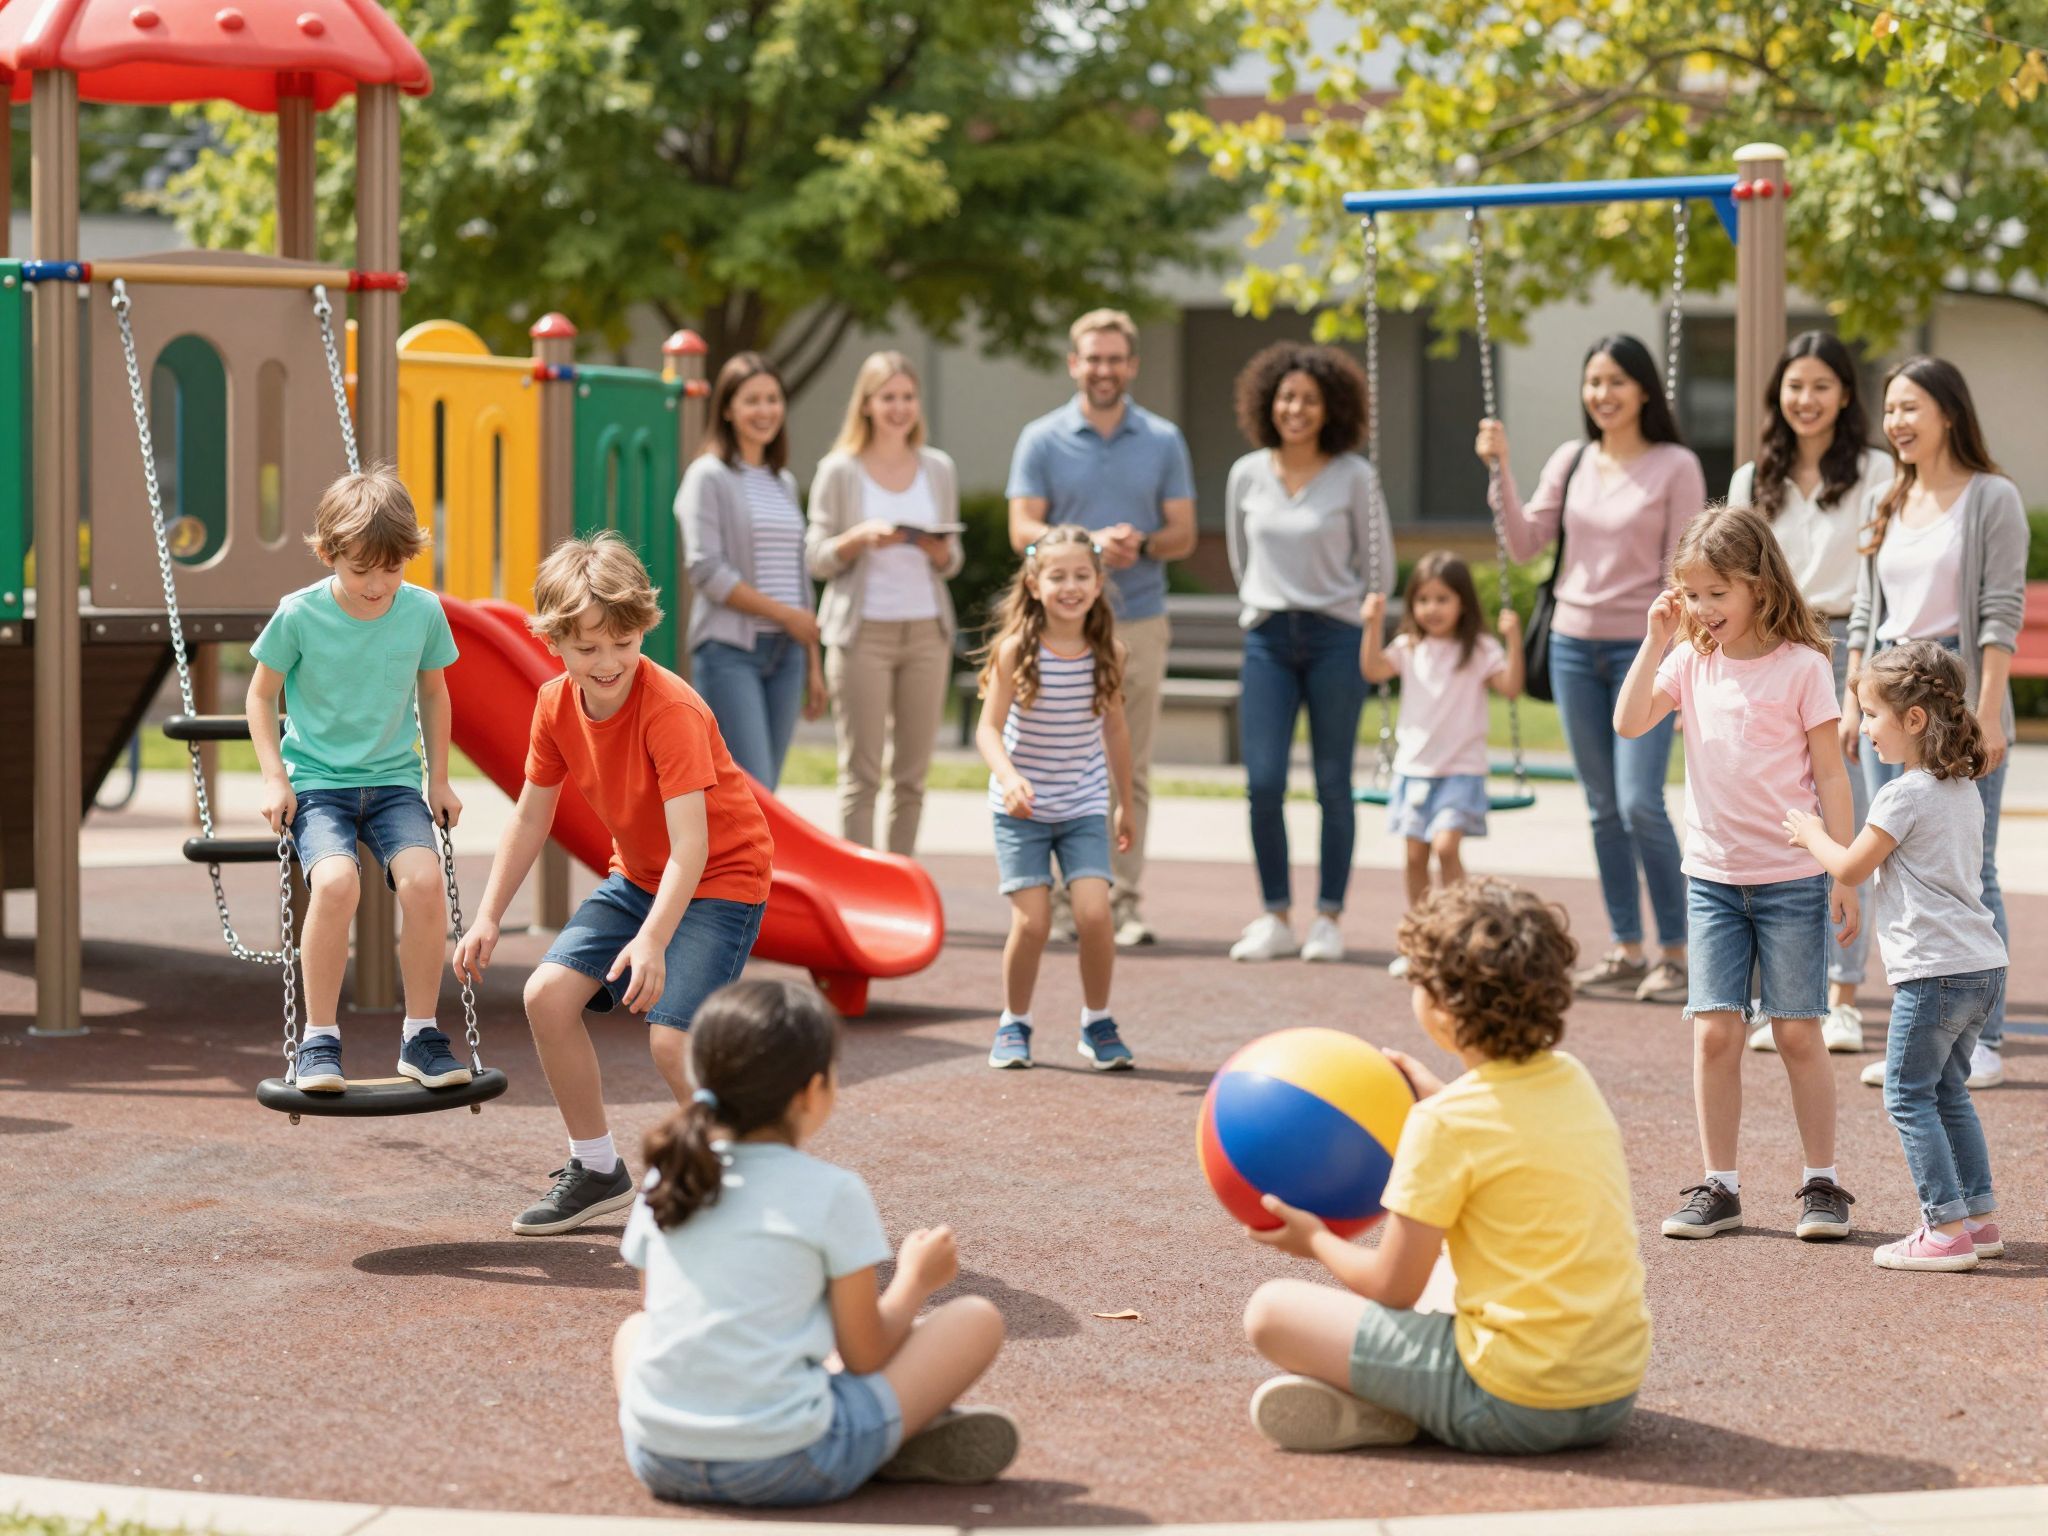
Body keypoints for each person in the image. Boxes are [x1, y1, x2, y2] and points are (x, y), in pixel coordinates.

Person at [1240, 878, 1648, 1456]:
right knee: (1453, 1265)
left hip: (1512, 1404)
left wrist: (1317, 1241)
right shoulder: (1572, 1078)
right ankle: (1400, 1404)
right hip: (1611, 1393)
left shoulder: (1445, 1125)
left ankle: (1407, 1408)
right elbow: (1507, 1133)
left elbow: (1391, 1288)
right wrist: (1442, 1098)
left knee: (1271, 1312)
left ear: (1443, 1009)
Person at [453, 534, 774, 1236]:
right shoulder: (552, 705)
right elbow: (531, 818)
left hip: (721, 875)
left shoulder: (671, 710)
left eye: (623, 643)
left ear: (642, 632)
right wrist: (488, 916)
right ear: (556, 643)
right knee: (545, 997)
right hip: (639, 876)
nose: (608, 663)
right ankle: (597, 1169)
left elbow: (694, 845)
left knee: (671, 1042)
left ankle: (740, 1179)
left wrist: (653, 941)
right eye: (588, 647)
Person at [612, 978, 1016, 1505]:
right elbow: (866, 1355)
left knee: (635, 1329)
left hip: (659, 1459)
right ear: (810, 1091)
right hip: (790, 1463)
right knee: (975, 1319)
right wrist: (916, 1280)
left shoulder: (666, 1179)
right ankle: (884, 1446)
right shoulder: (832, 1192)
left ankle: (871, 1436)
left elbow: (660, 1311)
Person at [1614, 506, 1860, 1243]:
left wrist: (1842, 871)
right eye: (1692, 594)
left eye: (1716, 592)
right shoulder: (1690, 659)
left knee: (1796, 1034)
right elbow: (1629, 723)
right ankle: (1720, 1186)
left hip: (1790, 879)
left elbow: (1832, 775)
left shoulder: (1804, 667)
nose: (1703, 608)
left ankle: (1823, 1182)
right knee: (1715, 1035)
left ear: (1758, 584)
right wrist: (1657, 637)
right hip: (1713, 879)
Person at [1478, 334, 1704, 1003]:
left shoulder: (1675, 465)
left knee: (1641, 803)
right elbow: (1524, 544)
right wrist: (1501, 470)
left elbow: (1684, 571)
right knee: (1603, 809)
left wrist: (1684, 657)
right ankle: (1627, 947)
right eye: (1593, 382)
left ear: (1643, 390)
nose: (1602, 394)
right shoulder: (1572, 459)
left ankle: (1677, 950)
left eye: (1616, 382)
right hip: (1575, 645)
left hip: (1646, 650)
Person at [246, 467, 469, 1094]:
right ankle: (319, 1039)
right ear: (329, 555)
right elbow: (259, 697)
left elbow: (434, 691)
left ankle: (420, 1037)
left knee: (425, 884)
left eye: (391, 570)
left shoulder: (422, 612)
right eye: (360, 571)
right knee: (337, 884)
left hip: (395, 783)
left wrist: (442, 779)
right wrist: (274, 779)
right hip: (318, 784)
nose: (377, 587)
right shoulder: (300, 614)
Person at [1786, 643, 2008, 1272]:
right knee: (1948, 1091)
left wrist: (1810, 834)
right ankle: (1978, 1219)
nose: (1864, 728)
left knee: (1908, 1097)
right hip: (1982, 966)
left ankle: (1943, 1230)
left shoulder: (1902, 796)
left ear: (1914, 721)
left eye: (1872, 714)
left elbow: (1853, 865)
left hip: (1933, 974)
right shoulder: (1962, 787)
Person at [1843, 357, 2029, 1091]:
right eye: (1889, 409)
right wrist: (1854, 699)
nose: (1896, 422)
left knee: (1968, 870)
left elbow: (1999, 614)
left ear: (1949, 412)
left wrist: (1986, 716)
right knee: (1892, 864)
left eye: (1911, 407)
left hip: (1954, 693)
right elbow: (1863, 611)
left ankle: (1982, 1040)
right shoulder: (1888, 498)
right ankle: (1920, 1036)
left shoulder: (1992, 497)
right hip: (1887, 692)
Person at [1007, 309, 1197, 947]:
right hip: (1054, 633)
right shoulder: (1041, 438)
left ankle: (1122, 901)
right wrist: (1086, 545)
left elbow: (1184, 534)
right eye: (1093, 358)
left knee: (1127, 765)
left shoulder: (1164, 440)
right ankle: (1064, 905)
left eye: (1115, 359)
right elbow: (1021, 530)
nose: (1104, 369)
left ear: (1132, 366)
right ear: (1074, 364)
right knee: (1050, 761)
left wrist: (1138, 546)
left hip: (1137, 621)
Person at [1729, 330, 1893, 1055]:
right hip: (1766, 654)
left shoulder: (1878, 473)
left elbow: (1877, 583)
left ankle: (1845, 995)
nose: (1806, 400)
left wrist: (1858, 677)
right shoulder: (1748, 480)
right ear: (1778, 396)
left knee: (1842, 819)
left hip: (1842, 653)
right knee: (1773, 819)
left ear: (1846, 395)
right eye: (1794, 387)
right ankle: (1784, 996)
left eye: (1821, 386)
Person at [1221, 342, 1394, 966]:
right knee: (1262, 782)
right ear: (1268, 402)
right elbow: (1244, 560)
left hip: (1335, 638)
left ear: (1330, 409)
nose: (1296, 409)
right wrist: (1265, 602)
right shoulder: (1245, 473)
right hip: (1268, 636)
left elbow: (1380, 569)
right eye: (1287, 397)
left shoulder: (1354, 475)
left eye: (1310, 400)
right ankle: (1274, 915)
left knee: (1331, 782)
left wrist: (1361, 624)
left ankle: (1327, 917)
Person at [974, 527, 1136, 1072]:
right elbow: (988, 731)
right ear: (1035, 583)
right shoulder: (1016, 650)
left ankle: (1097, 1021)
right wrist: (1010, 777)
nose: (1071, 586)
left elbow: (1116, 732)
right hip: (1020, 809)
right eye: (1058, 575)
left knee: (1094, 912)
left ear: (1097, 583)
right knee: (1034, 922)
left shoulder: (1108, 652)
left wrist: (1124, 803)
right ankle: (1014, 1021)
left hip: (1083, 804)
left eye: (1081, 575)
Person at [806, 352, 964, 854]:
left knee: (913, 776)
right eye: (889, 397)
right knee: (862, 774)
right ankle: (860, 890)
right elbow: (816, 558)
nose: (900, 407)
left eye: (908, 397)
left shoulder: (937, 468)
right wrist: (856, 539)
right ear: (868, 405)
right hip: (862, 634)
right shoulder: (839, 471)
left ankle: (901, 885)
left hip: (925, 633)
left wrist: (941, 552)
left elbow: (953, 558)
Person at [1358, 553, 1523, 974]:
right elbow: (1374, 670)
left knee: (1446, 847)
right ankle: (1422, 939)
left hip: (1461, 770)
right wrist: (1372, 624)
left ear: (1463, 603)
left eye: (1442, 599)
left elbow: (1510, 687)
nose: (1432, 608)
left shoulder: (1479, 649)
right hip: (1414, 769)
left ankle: (1463, 933)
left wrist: (1513, 639)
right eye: (1423, 599)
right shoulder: (1410, 647)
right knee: (1415, 855)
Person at [678, 352, 825, 789]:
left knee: (769, 791)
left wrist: (814, 663)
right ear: (727, 409)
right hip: (729, 652)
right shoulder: (708, 476)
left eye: (773, 399)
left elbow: (796, 578)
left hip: (787, 655)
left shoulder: (783, 482)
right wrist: (786, 616)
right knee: (750, 785)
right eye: (752, 400)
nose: (765, 411)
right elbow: (706, 570)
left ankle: (753, 862)